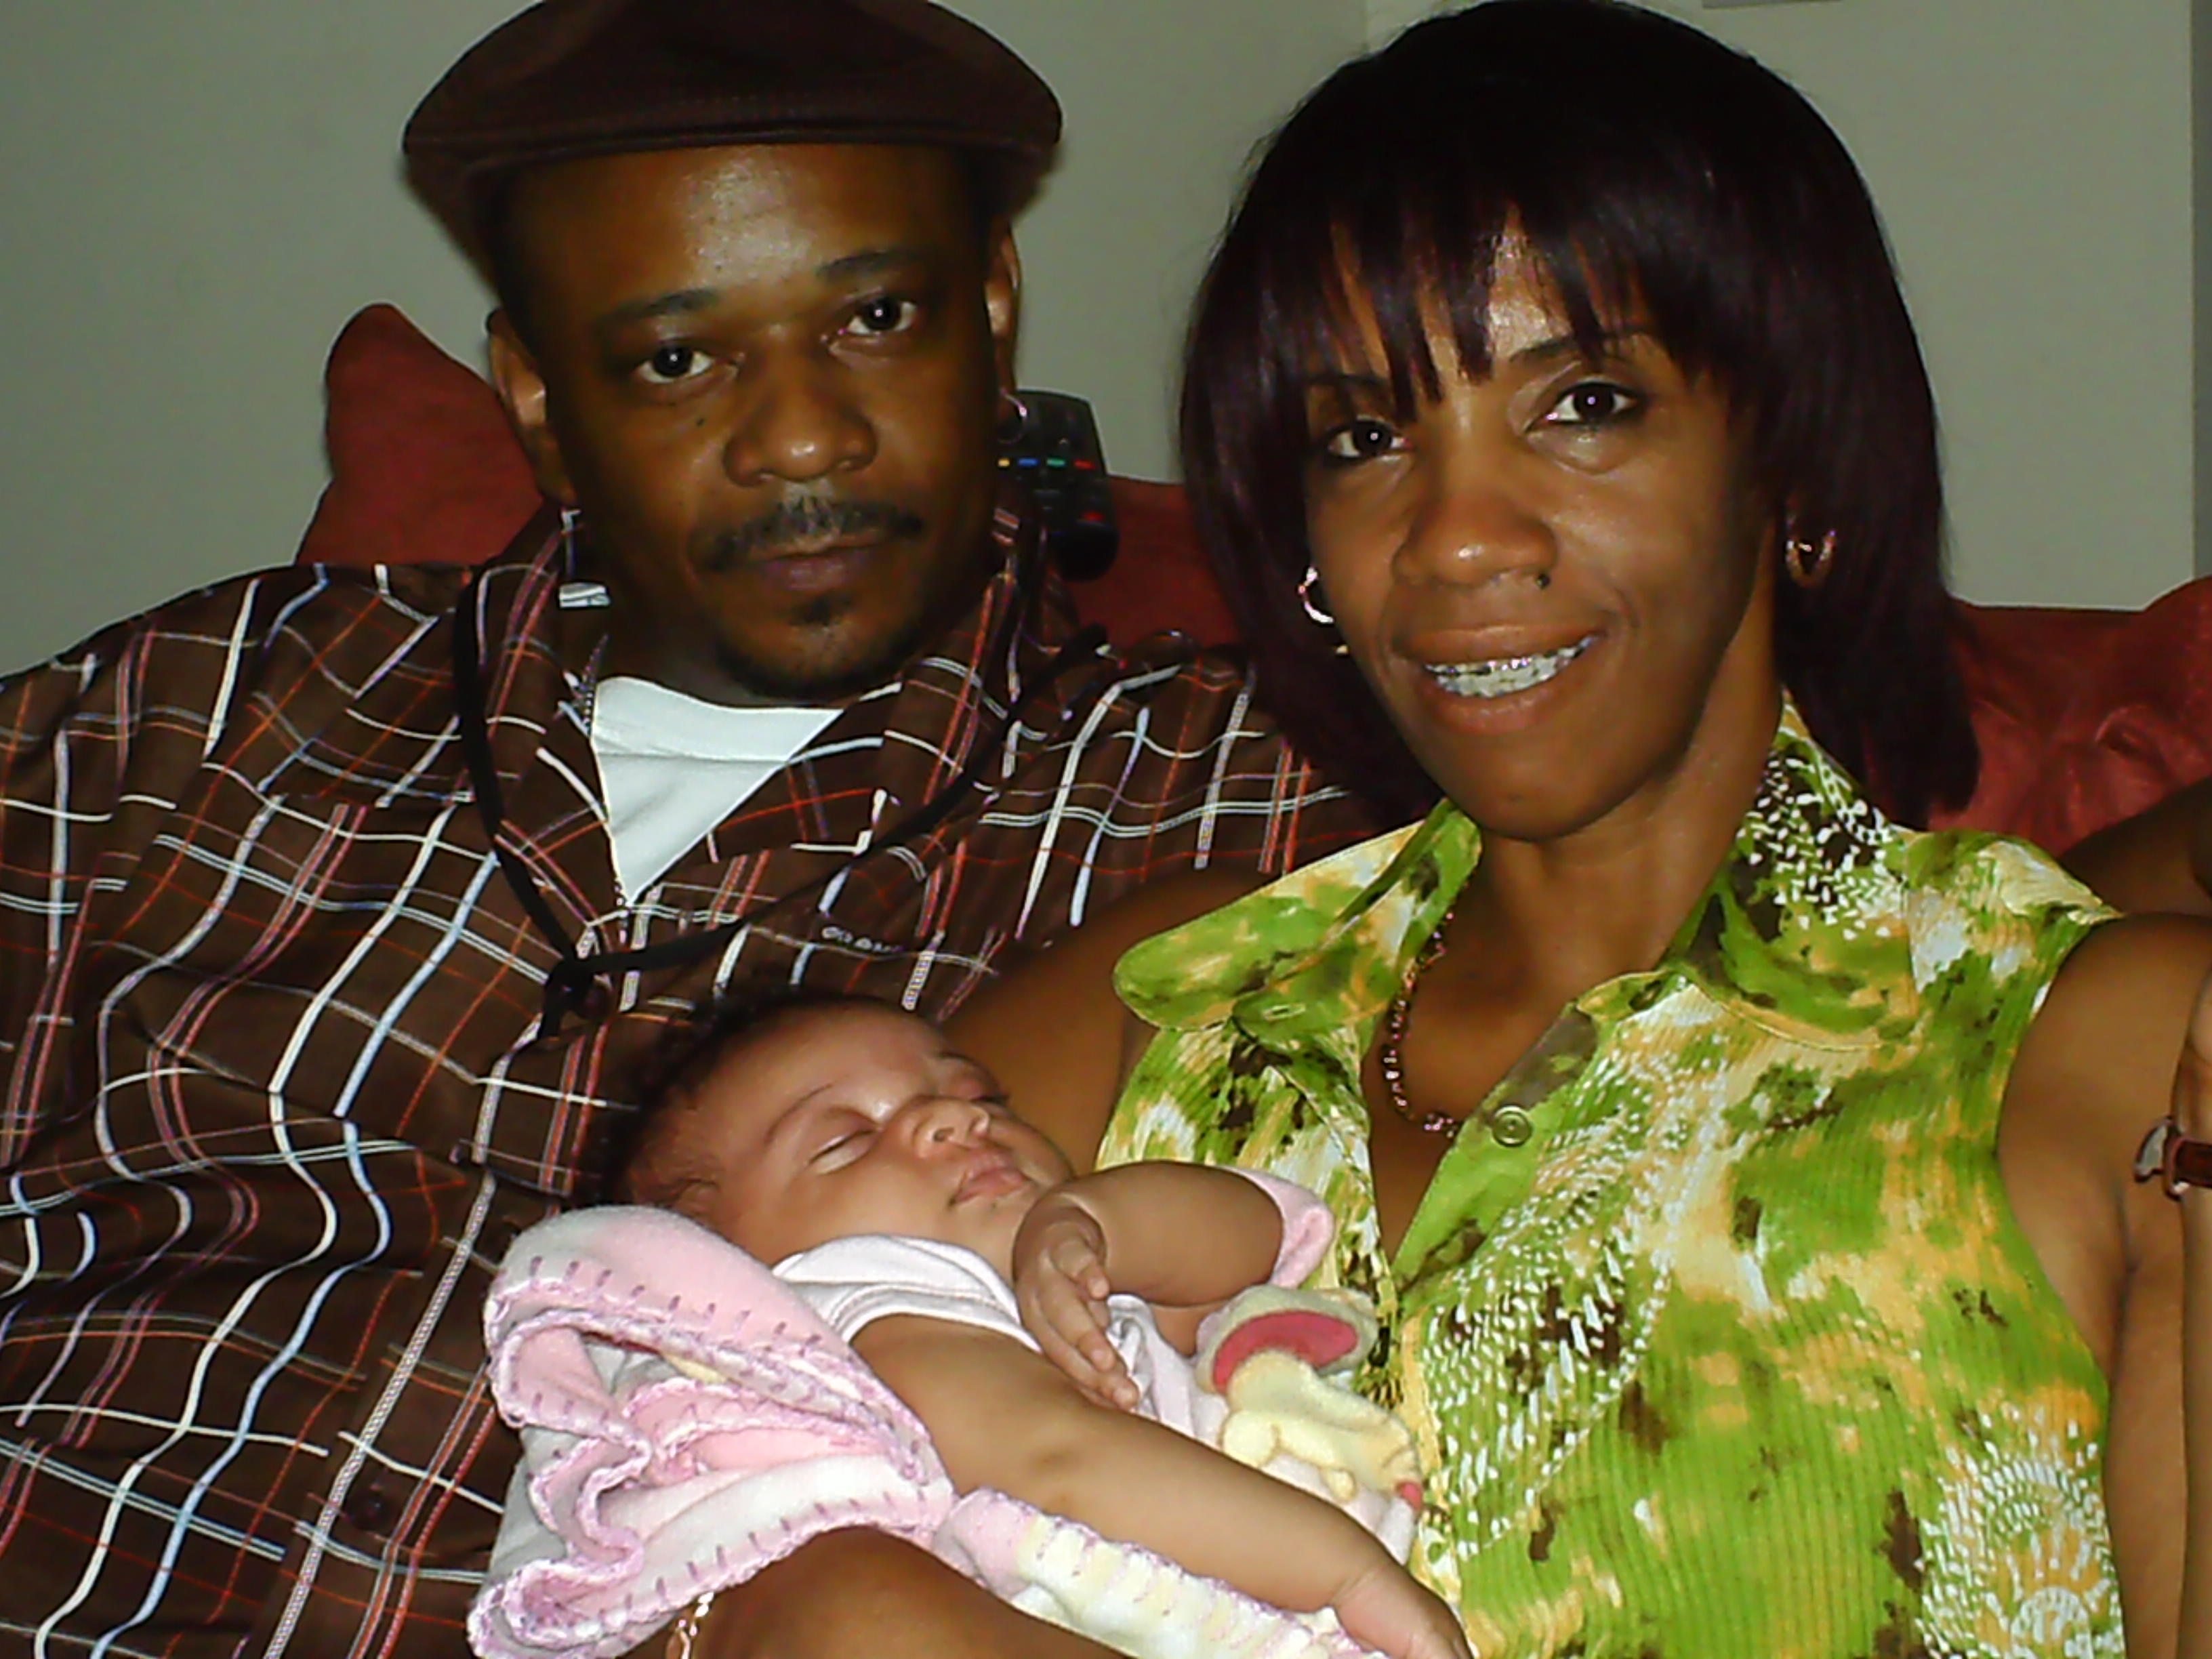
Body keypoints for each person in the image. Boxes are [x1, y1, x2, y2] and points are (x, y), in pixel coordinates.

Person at [709, 3, 2212, 1655]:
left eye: (1586, 404)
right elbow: (637, 1455)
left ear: (1791, 464)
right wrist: (833, 1600)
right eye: (1364, 439)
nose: (1456, 538)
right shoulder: (1173, 993)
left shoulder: (2102, 1043)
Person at [0, 3, 1375, 1651]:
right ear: (537, 395)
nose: (801, 434)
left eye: (875, 316)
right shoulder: (205, 711)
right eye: (675, 357)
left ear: (993, 310)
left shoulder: (1235, 786)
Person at [474, 989, 1465, 1659]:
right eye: (845, 1141)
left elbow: (1252, 1235)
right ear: (734, 1271)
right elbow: (1053, 1459)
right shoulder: (855, 1305)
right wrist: (1345, 1576)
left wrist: (1094, 1222)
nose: (955, 1122)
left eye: (975, 1094)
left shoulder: (1050, 1282)